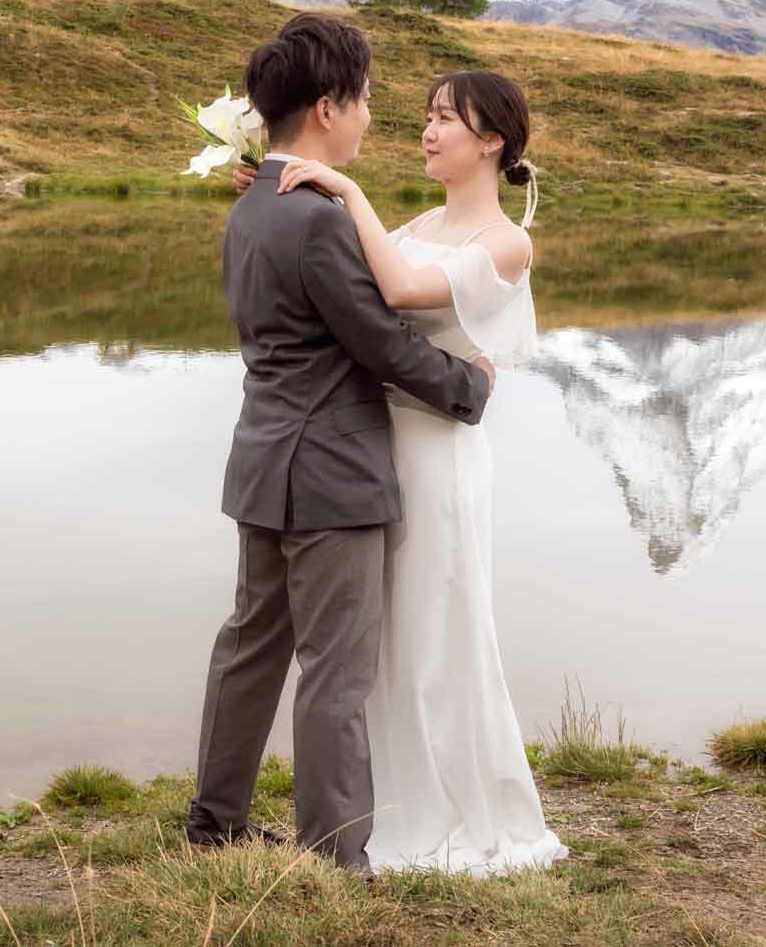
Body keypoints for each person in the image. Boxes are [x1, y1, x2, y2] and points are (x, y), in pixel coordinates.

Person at [239, 67, 568, 876]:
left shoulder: (506, 240)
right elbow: (349, 291)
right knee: (374, 643)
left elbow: (399, 287)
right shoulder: (422, 217)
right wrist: (276, 191)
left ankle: (448, 808)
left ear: (491, 140)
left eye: (445, 120)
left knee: (434, 629)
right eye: (424, 116)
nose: (427, 131)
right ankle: (374, 805)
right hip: (372, 447)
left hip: (437, 453)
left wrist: (345, 192)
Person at [184, 13, 495, 872]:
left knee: (250, 646)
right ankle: (335, 857)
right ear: (327, 107)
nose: (370, 119)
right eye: (363, 102)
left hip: (262, 459)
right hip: (332, 475)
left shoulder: (252, 202)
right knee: (336, 670)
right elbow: (380, 342)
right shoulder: (316, 218)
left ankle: (214, 825)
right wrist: (470, 386)